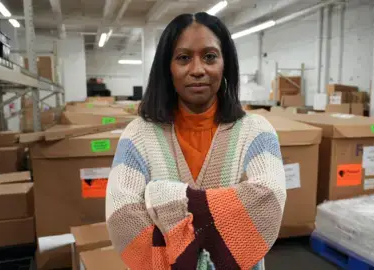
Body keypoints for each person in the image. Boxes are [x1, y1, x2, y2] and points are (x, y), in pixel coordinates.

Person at [106, 12, 286, 270]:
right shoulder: (138, 135)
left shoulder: (257, 132)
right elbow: (122, 217)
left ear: (226, 64)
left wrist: (162, 197)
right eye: (183, 58)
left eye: (210, 57)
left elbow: (267, 201)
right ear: (167, 67)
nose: (198, 69)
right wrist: (224, 214)